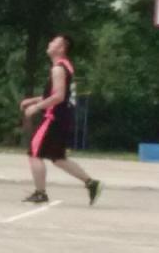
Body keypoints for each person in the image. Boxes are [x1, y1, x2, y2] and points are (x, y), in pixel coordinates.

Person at [21, 35, 102, 205]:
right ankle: (91, 183)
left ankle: (40, 193)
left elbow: (58, 96)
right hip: (63, 117)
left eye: (54, 42)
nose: (49, 43)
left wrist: (36, 107)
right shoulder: (65, 66)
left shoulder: (58, 69)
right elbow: (56, 94)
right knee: (57, 157)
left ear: (61, 48)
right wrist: (33, 100)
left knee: (34, 153)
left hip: (53, 118)